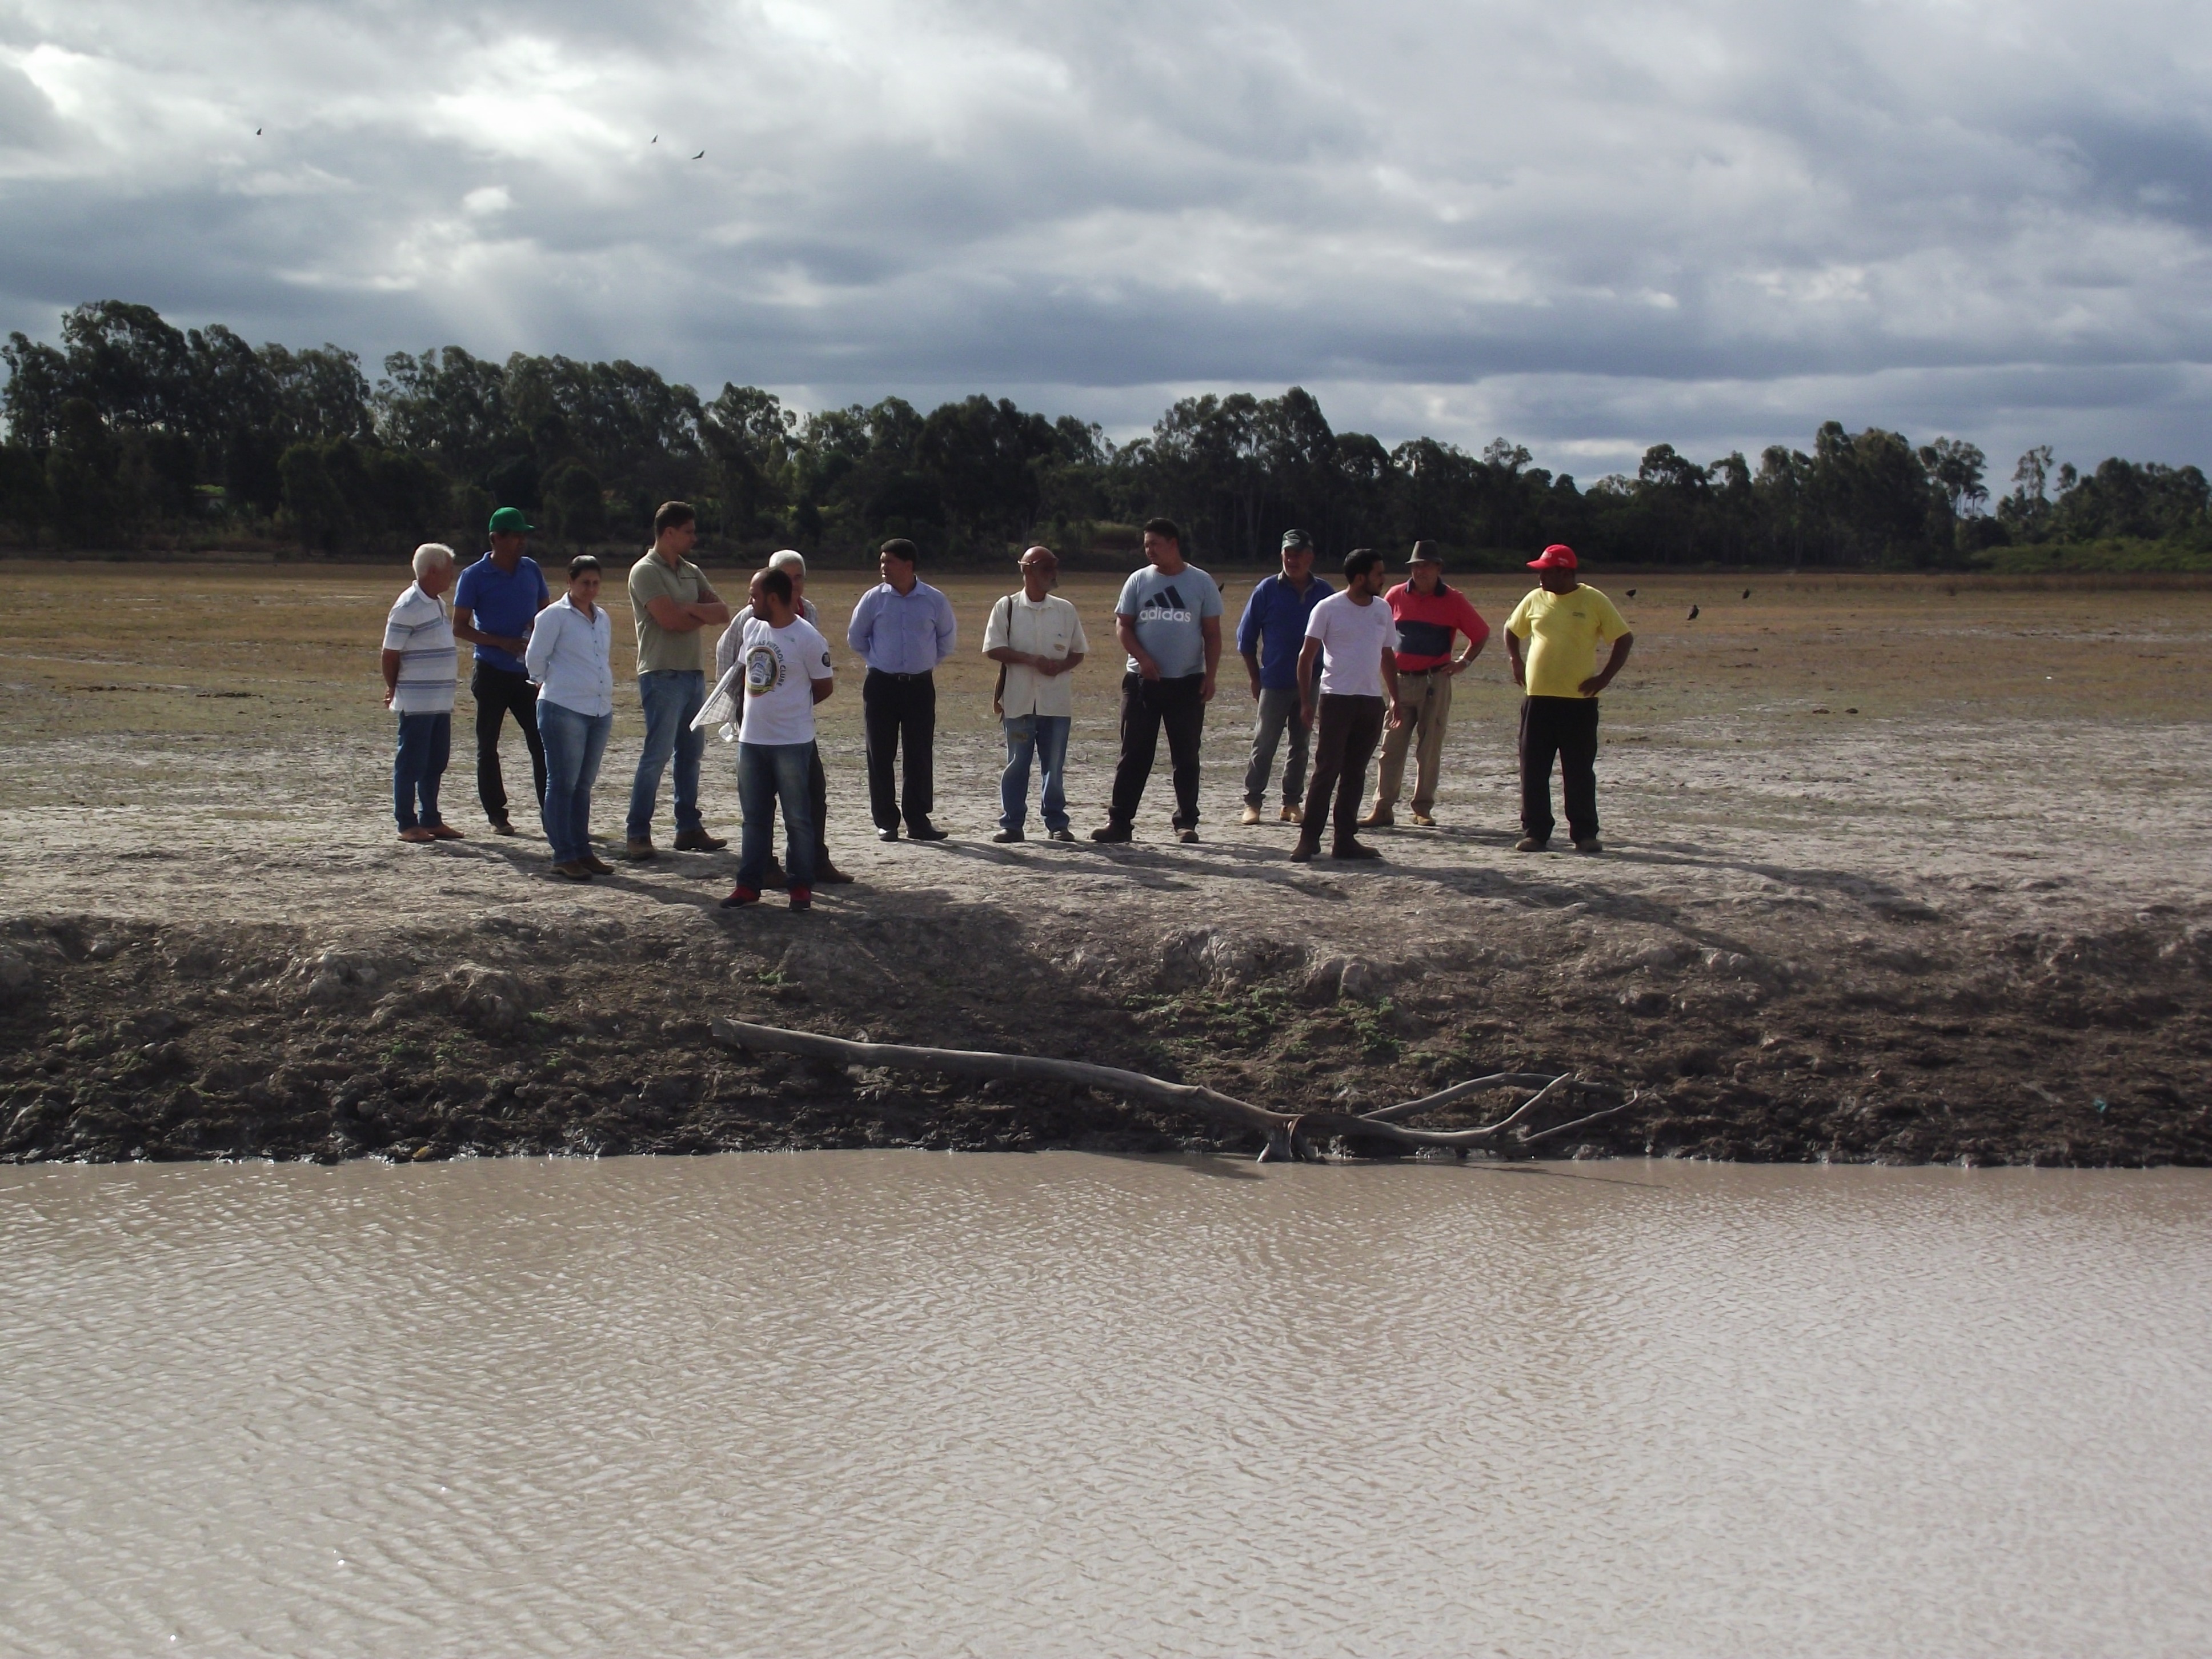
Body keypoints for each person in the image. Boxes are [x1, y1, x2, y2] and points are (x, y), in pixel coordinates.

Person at [714, 550, 850, 885]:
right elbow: (730, 658)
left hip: (794, 734)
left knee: (804, 808)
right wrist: (738, 705)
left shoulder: (809, 622)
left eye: (798, 578)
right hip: (755, 734)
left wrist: (794, 706)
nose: (794, 584)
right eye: (787, 578)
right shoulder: (749, 619)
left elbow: (820, 682)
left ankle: (806, 874)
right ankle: (756, 876)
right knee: (756, 814)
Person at [1092, 517, 1223, 844]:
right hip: (1142, 682)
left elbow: (1212, 633)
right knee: (1134, 753)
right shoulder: (1138, 581)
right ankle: (1120, 821)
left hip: (1187, 682)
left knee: (1186, 754)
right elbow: (1124, 625)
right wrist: (1144, 659)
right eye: (1146, 544)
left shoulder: (1201, 582)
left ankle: (1186, 822)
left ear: (1173, 544)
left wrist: (1212, 675)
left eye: (1154, 544)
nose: (1148, 550)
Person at [1504, 544, 1633, 854]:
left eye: (1546, 572)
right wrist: (1515, 660)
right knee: (1533, 767)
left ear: (1565, 572)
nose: (1540, 578)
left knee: (1578, 769)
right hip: (1538, 699)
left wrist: (1604, 678)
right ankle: (1536, 831)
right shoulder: (1534, 599)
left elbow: (1624, 638)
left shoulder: (1593, 599)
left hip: (1578, 703)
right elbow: (1511, 629)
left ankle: (1585, 833)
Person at [624, 500, 731, 859]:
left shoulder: (691, 570)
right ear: (668, 533)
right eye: (688, 531)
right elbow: (669, 621)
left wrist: (690, 610)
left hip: (693, 674)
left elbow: (722, 612)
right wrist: (695, 613)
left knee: (691, 756)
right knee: (656, 756)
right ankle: (637, 832)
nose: (694, 538)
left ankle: (688, 828)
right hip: (661, 675)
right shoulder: (645, 571)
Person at [1363, 540, 1490, 828]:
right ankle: (1382, 808)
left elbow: (1481, 633)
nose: (1420, 572)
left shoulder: (1454, 600)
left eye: (1426, 566)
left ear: (1438, 568)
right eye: (1416, 566)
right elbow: (1381, 636)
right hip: (1401, 683)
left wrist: (1464, 662)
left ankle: (1422, 808)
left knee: (1429, 747)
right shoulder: (1395, 595)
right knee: (1390, 746)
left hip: (1436, 682)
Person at [1291, 549, 1404, 863]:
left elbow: (1387, 655)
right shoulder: (1328, 608)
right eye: (1378, 575)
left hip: (1370, 702)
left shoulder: (1382, 610)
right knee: (1327, 770)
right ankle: (1308, 839)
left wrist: (1394, 697)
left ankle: (1345, 840)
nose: (1383, 580)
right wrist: (1305, 701)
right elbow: (1306, 656)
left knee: (1355, 773)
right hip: (1336, 699)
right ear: (1360, 578)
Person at [846, 538, 957, 841]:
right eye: (882, 562)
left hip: (920, 686)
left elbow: (947, 640)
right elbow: (856, 638)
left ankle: (918, 820)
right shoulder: (873, 600)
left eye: (889, 562)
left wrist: (922, 665)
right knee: (880, 754)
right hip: (881, 685)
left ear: (909, 566)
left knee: (919, 753)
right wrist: (879, 662)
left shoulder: (934, 600)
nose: (883, 567)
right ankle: (886, 821)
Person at [451, 506, 551, 835]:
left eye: (524, 535)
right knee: (488, 745)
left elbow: (545, 613)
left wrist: (537, 629)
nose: (522, 541)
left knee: (541, 742)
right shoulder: (473, 576)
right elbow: (460, 627)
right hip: (491, 671)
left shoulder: (531, 570)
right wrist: (500, 642)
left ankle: (551, 811)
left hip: (527, 673)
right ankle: (498, 815)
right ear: (496, 538)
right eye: (515, 535)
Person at [983, 546, 1088, 843]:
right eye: (1046, 568)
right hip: (1019, 701)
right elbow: (993, 648)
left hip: (1056, 702)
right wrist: (1032, 661)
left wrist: (1061, 666)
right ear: (1027, 570)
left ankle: (1057, 823)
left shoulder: (1065, 610)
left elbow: (1078, 651)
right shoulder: (1007, 607)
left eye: (1055, 567)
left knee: (1053, 766)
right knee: (1017, 764)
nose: (1053, 574)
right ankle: (1012, 823)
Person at [525, 555, 616, 881]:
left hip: (598, 709)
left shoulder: (602, 617)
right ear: (570, 582)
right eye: (584, 583)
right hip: (563, 708)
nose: (590, 589)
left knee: (583, 785)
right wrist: (552, 682)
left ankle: (582, 849)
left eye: (595, 583)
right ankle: (563, 854)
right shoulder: (553, 616)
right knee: (562, 783)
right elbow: (535, 658)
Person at [1235, 529, 1333, 826]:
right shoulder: (1266, 590)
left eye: (1298, 554)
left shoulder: (1325, 593)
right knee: (1264, 743)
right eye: (1287, 553)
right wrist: (1256, 679)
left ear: (1310, 557)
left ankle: (1291, 802)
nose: (1292, 560)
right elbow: (1246, 640)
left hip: (1311, 683)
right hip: (1274, 683)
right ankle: (1253, 802)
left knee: (1301, 745)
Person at [380, 543, 463, 844]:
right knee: (411, 762)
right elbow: (390, 653)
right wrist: (393, 687)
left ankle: (431, 818)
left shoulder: (436, 602)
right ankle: (406, 821)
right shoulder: (408, 605)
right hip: (417, 702)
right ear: (431, 571)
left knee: (436, 760)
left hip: (440, 700)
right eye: (448, 571)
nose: (452, 578)